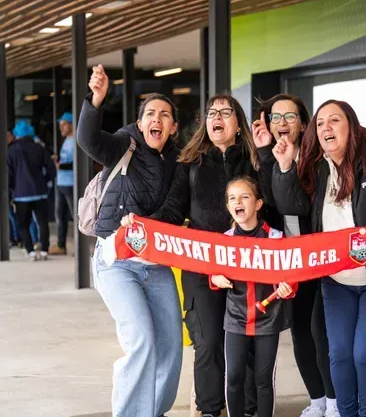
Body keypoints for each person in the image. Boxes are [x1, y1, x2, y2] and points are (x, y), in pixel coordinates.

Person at [125, 93, 275, 417]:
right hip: (201, 266)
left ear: (238, 124)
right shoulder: (190, 162)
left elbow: (272, 210)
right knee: (207, 343)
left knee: (244, 344)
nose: (216, 116)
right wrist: (142, 227)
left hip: (247, 267)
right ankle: (209, 410)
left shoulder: (255, 161)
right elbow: (173, 210)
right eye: (211, 112)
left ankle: (248, 410)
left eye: (225, 111)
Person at [271, 100, 366, 417]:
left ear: (351, 125)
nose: (326, 127)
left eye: (334, 120)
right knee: (339, 355)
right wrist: (284, 167)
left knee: (364, 354)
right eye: (320, 123)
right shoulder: (318, 167)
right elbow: (292, 204)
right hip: (336, 281)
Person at [78, 64, 183, 417]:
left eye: (165, 115)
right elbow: (89, 140)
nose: (157, 119)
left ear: (173, 127)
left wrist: (144, 227)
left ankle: (153, 411)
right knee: (142, 340)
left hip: (156, 264)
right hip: (115, 262)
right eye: (150, 114)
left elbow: (174, 208)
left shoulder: (177, 162)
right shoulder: (124, 143)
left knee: (170, 348)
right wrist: (96, 100)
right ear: (140, 124)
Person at [252, 94, 338, 417]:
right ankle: (317, 400)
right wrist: (265, 155)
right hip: (291, 262)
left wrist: (286, 166)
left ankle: (334, 401)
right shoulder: (273, 155)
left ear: (304, 124)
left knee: (320, 331)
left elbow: (298, 205)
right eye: (275, 118)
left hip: (319, 258)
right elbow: (269, 206)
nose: (281, 124)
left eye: (289, 117)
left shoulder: (317, 161)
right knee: (300, 333)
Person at [209, 176, 296, 417]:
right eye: (232, 198)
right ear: (228, 207)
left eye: (245, 196)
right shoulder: (224, 241)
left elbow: (291, 274)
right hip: (236, 318)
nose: (238, 202)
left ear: (258, 204)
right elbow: (213, 269)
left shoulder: (277, 238)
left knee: (263, 380)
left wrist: (290, 286)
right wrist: (214, 279)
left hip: (269, 320)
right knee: (234, 377)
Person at [6, 120, 55, 261]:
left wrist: (12, 189)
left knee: (23, 224)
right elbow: (51, 167)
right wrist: (45, 181)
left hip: (21, 194)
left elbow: (8, 174)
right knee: (42, 222)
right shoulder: (38, 148)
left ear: (16, 134)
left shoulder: (11, 150)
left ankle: (30, 251)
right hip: (40, 192)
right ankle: (44, 250)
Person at [50, 111, 75, 255]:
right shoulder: (66, 140)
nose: (61, 128)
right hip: (61, 182)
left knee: (77, 216)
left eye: (64, 125)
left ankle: (81, 246)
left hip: (71, 184)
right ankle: (61, 245)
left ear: (71, 125)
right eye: (61, 125)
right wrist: (58, 158)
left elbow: (77, 163)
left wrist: (60, 165)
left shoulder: (75, 140)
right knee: (59, 215)